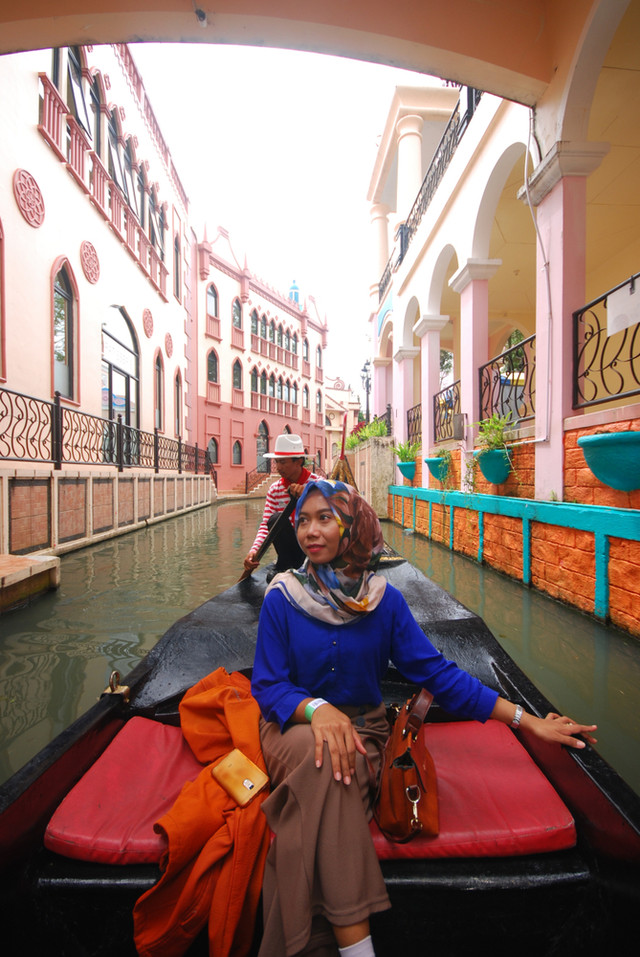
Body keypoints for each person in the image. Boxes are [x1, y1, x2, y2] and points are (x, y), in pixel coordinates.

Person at [251, 479, 597, 957]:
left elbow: (436, 673)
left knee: (339, 763)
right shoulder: (281, 597)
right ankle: (357, 948)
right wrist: (319, 710)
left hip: (365, 731)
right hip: (291, 724)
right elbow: (268, 687)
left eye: (325, 518)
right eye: (303, 520)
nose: (311, 530)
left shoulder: (384, 602)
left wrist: (525, 719)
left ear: (353, 527)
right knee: (324, 757)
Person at [243, 433, 320, 578]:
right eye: (277, 462)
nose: (278, 467)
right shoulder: (275, 489)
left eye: (283, 462)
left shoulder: (318, 484)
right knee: (275, 519)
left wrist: (310, 493)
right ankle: (286, 566)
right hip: (293, 548)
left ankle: (312, 566)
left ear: (298, 462)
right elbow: (266, 526)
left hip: (314, 545)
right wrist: (254, 551)